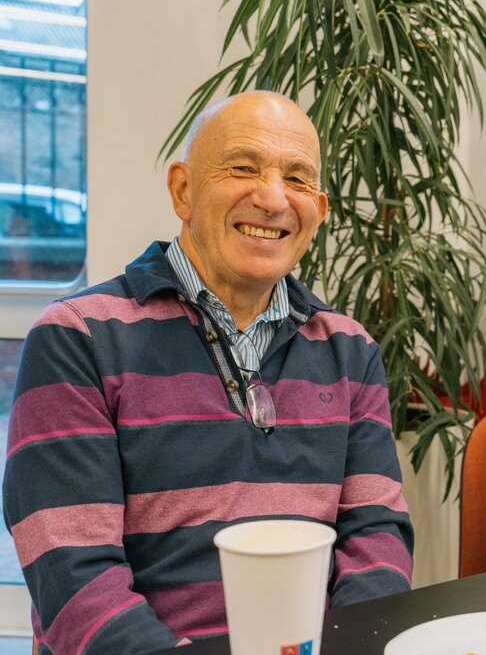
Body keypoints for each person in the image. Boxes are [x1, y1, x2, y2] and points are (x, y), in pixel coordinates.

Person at [3, 91, 414, 654]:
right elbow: (72, 574)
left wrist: (353, 646)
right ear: (183, 190)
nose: (273, 199)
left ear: (318, 209)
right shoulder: (78, 336)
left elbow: (376, 535)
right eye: (243, 168)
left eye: (297, 179)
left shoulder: (350, 349)